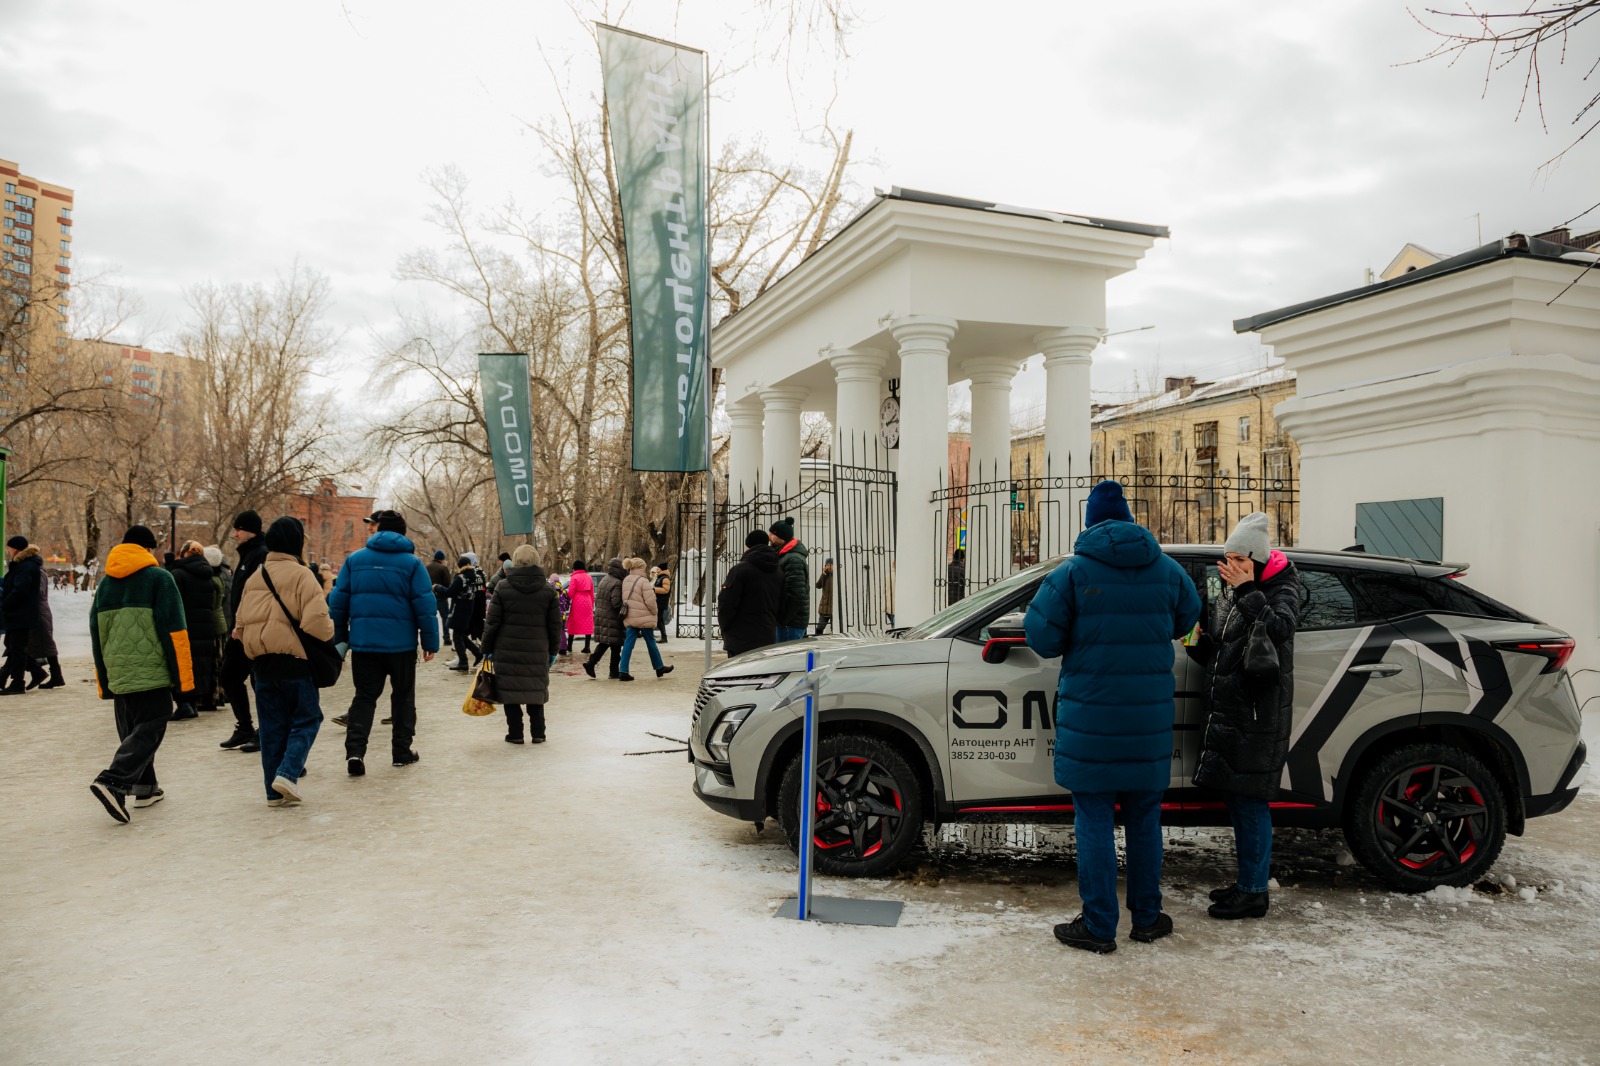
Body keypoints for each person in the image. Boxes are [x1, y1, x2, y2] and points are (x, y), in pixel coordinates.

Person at [1023, 480, 1200, 953]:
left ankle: (1099, 926)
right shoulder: (1167, 569)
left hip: (1092, 721)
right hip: (1148, 724)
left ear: (1090, 523)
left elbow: (1040, 636)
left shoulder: (1073, 573)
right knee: (1145, 818)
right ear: (1127, 519)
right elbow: (1188, 617)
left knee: (1095, 818)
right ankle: (1146, 917)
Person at [1187, 512, 1301, 921]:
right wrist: (1195, 640)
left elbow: (1279, 629)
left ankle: (1254, 893)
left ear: (1255, 560)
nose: (1229, 567)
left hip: (1258, 715)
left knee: (1251, 804)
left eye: (1238, 559)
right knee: (1238, 801)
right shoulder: (1233, 591)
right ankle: (1247, 882)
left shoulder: (1281, 587)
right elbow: (1225, 648)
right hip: (1234, 712)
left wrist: (1248, 590)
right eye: (1227, 558)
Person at [88, 525, 196, 822]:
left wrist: (105, 681)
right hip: (152, 671)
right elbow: (175, 632)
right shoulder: (159, 579)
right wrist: (184, 681)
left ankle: (146, 788)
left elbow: (96, 634)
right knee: (153, 722)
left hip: (119, 672)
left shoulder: (106, 585)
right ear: (148, 549)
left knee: (133, 730)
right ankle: (115, 779)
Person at [234, 516, 336, 808]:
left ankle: (272, 793)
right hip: (295, 663)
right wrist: (330, 632)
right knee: (308, 718)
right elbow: (318, 623)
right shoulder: (303, 575)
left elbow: (240, 625)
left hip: (262, 666)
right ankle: (288, 773)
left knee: (271, 728)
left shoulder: (255, 576)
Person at [327, 508, 439, 775]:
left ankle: (355, 752)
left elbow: (337, 604)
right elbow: (424, 605)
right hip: (400, 647)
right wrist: (430, 643)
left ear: (379, 530)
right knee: (403, 697)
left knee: (364, 697)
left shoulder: (355, 560)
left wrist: (341, 639)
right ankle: (401, 752)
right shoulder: (412, 564)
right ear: (402, 533)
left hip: (364, 644)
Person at [481, 544, 563, 744]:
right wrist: (553, 651)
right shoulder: (548, 590)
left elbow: (492, 622)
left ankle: (515, 733)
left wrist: (486, 649)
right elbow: (555, 625)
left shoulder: (502, 587)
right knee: (535, 690)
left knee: (510, 692)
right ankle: (538, 733)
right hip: (537, 650)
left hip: (506, 650)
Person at [219, 510, 269, 752]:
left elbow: (256, 597)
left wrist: (243, 625)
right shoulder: (247, 554)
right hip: (239, 630)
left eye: (239, 528)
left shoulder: (261, 554)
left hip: (253, 631)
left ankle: (265, 730)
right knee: (229, 675)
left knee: (259, 681)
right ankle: (245, 727)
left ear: (251, 530)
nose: (235, 533)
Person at [169, 541, 220, 720]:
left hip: (186, 625)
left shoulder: (178, 574)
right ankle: (192, 703)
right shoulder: (207, 574)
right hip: (205, 626)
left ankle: (184, 703)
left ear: (184, 553)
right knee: (199, 664)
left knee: (183, 663)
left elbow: (173, 602)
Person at [717, 531, 782, 657]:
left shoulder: (740, 570)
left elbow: (726, 604)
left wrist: (725, 628)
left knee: (738, 675)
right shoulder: (778, 572)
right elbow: (782, 604)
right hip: (767, 636)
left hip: (740, 639)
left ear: (749, 546)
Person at [617, 556, 673, 682]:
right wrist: (654, 612)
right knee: (651, 642)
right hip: (644, 618)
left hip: (631, 616)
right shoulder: (643, 581)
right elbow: (650, 601)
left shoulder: (626, 580)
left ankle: (623, 670)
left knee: (628, 643)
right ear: (641, 568)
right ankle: (659, 667)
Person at [0, 535, 42, 695]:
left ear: (16, 549)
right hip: (18, 614)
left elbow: (20, 590)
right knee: (12, 646)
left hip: (20, 615)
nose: (8, 551)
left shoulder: (25, 566)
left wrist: (6, 603)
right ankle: (36, 672)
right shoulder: (22, 565)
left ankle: (18, 683)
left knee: (17, 649)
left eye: (9, 548)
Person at [583, 558, 627, 679]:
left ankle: (592, 664)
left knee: (607, 643)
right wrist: (625, 605)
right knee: (615, 645)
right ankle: (611, 671)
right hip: (612, 618)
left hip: (602, 616)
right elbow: (616, 602)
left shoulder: (604, 579)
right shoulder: (617, 583)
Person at [27, 546, 64, 689]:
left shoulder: (38, 571)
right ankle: (48, 675)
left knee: (47, 645)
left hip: (39, 612)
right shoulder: (37, 570)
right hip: (38, 611)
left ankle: (54, 676)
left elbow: (39, 591)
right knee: (35, 645)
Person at [768, 516, 809, 642]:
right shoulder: (785, 555)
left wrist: (783, 619)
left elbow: (796, 594)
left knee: (786, 659)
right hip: (788, 622)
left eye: (772, 534)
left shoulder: (793, 559)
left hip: (790, 624)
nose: (769, 536)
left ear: (781, 537)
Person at [444, 555, 486, 671]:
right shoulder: (475, 576)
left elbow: (450, 592)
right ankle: (477, 653)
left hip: (459, 609)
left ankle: (463, 662)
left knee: (457, 636)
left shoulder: (460, 578)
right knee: (461, 635)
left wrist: (437, 588)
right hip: (469, 609)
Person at [204, 545, 229, 710]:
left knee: (214, 661)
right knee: (219, 661)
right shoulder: (221, 576)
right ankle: (218, 695)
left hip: (214, 623)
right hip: (221, 622)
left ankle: (213, 697)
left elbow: (211, 604)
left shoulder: (212, 580)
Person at [566, 560, 594, 656]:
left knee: (573, 622)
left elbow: (570, 593)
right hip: (588, 600)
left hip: (578, 600)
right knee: (588, 623)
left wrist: (567, 598)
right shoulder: (589, 577)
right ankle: (587, 646)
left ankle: (569, 646)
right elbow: (592, 591)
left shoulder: (574, 577)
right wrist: (592, 602)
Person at [426, 549, 452, 645]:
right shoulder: (443, 568)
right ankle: (446, 639)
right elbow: (448, 583)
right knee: (445, 617)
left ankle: (430, 639)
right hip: (441, 596)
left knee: (429, 618)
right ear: (441, 559)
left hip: (429, 596)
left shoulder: (426, 567)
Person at [652, 560, 672, 644]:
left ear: (662, 569)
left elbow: (665, 590)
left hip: (661, 602)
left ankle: (664, 637)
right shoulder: (660, 577)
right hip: (658, 601)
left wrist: (654, 589)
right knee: (660, 620)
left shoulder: (665, 578)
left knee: (658, 620)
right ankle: (664, 637)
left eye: (658, 568)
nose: (657, 569)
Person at [814, 558, 834, 636]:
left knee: (836, 628)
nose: (829, 567)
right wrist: (823, 574)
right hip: (825, 606)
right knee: (819, 628)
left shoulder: (837, 576)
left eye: (831, 565)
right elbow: (818, 585)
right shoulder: (825, 575)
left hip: (834, 607)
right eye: (827, 565)